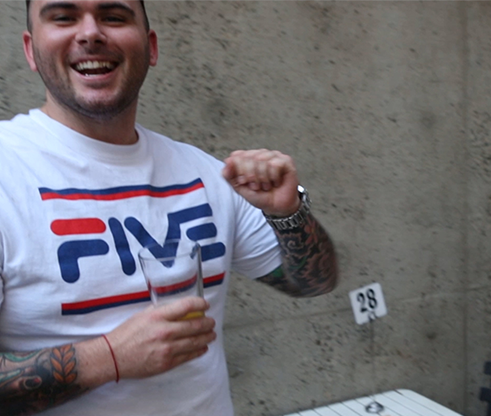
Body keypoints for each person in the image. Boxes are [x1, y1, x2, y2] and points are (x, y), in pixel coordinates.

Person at [0, 1, 338, 415]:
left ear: (151, 47)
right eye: (64, 17)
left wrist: (287, 213)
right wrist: (110, 358)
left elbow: (314, 283)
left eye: (113, 17)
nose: (90, 33)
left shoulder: (205, 174)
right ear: (31, 50)